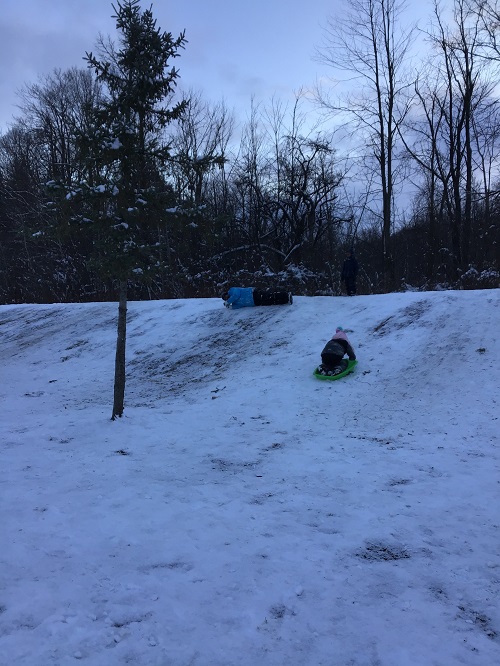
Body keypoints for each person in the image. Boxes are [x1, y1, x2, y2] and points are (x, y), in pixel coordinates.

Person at [222, 287, 293, 308]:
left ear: (226, 293)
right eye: (225, 299)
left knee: (269, 296)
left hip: (253, 294)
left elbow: (236, 295)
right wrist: (231, 307)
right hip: (255, 302)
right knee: (271, 302)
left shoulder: (232, 290)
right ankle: (286, 300)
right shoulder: (234, 302)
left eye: (226, 297)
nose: (227, 298)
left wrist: (228, 302)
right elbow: (238, 306)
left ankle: (286, 295)